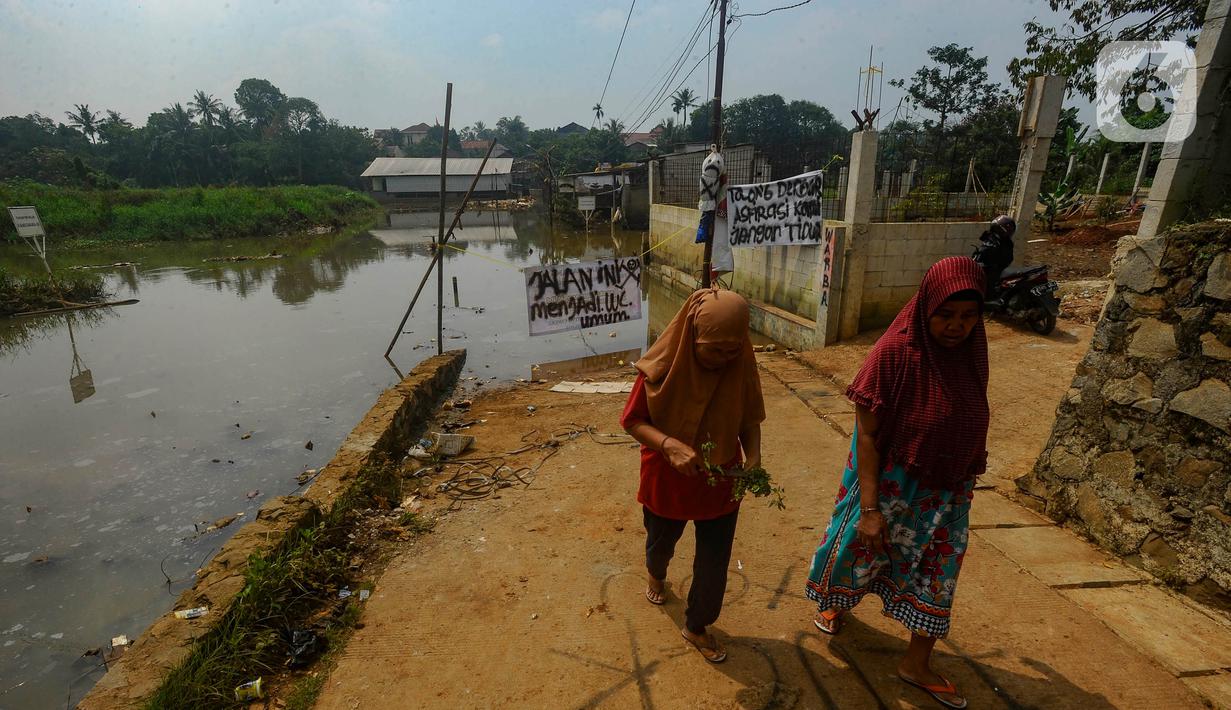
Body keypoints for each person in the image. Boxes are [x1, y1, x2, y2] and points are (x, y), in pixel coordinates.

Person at [804, 257, 989, 709]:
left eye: (968, 316)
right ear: (926, 307)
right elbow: (867, 434)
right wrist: (870, 509)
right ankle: (836, 602)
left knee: (938, 572)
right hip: (888, 484)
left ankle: (916, 663)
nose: (957, 326)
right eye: (946, 315)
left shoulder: (973, 352)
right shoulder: (894, 352)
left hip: (948, 490)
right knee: (857, 550)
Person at [621, 288, 765, 664]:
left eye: (733, 349)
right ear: (692, 336)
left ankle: (697, 625)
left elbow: (749, 417)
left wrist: (753, 456)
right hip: (667, 478)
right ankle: (656, 573)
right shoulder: (661, 367)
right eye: (713, 350)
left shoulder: (740, 364)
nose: (723, 359)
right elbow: (632, 421)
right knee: (660, 542)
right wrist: (668, 444)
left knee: (714, 562)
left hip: (721, 479)